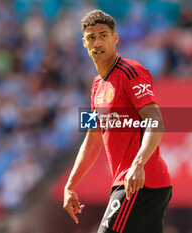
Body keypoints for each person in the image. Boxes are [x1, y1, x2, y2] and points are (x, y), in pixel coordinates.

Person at [63, 10, 172, 233]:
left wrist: (138, 163)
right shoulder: (96, 85)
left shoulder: (132, 72)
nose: (98, 42)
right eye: (91, 37)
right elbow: (92, 138)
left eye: (103, 35)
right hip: (133, 182)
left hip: (140, 182)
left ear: (115, 39)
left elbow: (155, 121)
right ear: (84, 43)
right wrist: (70, 185)